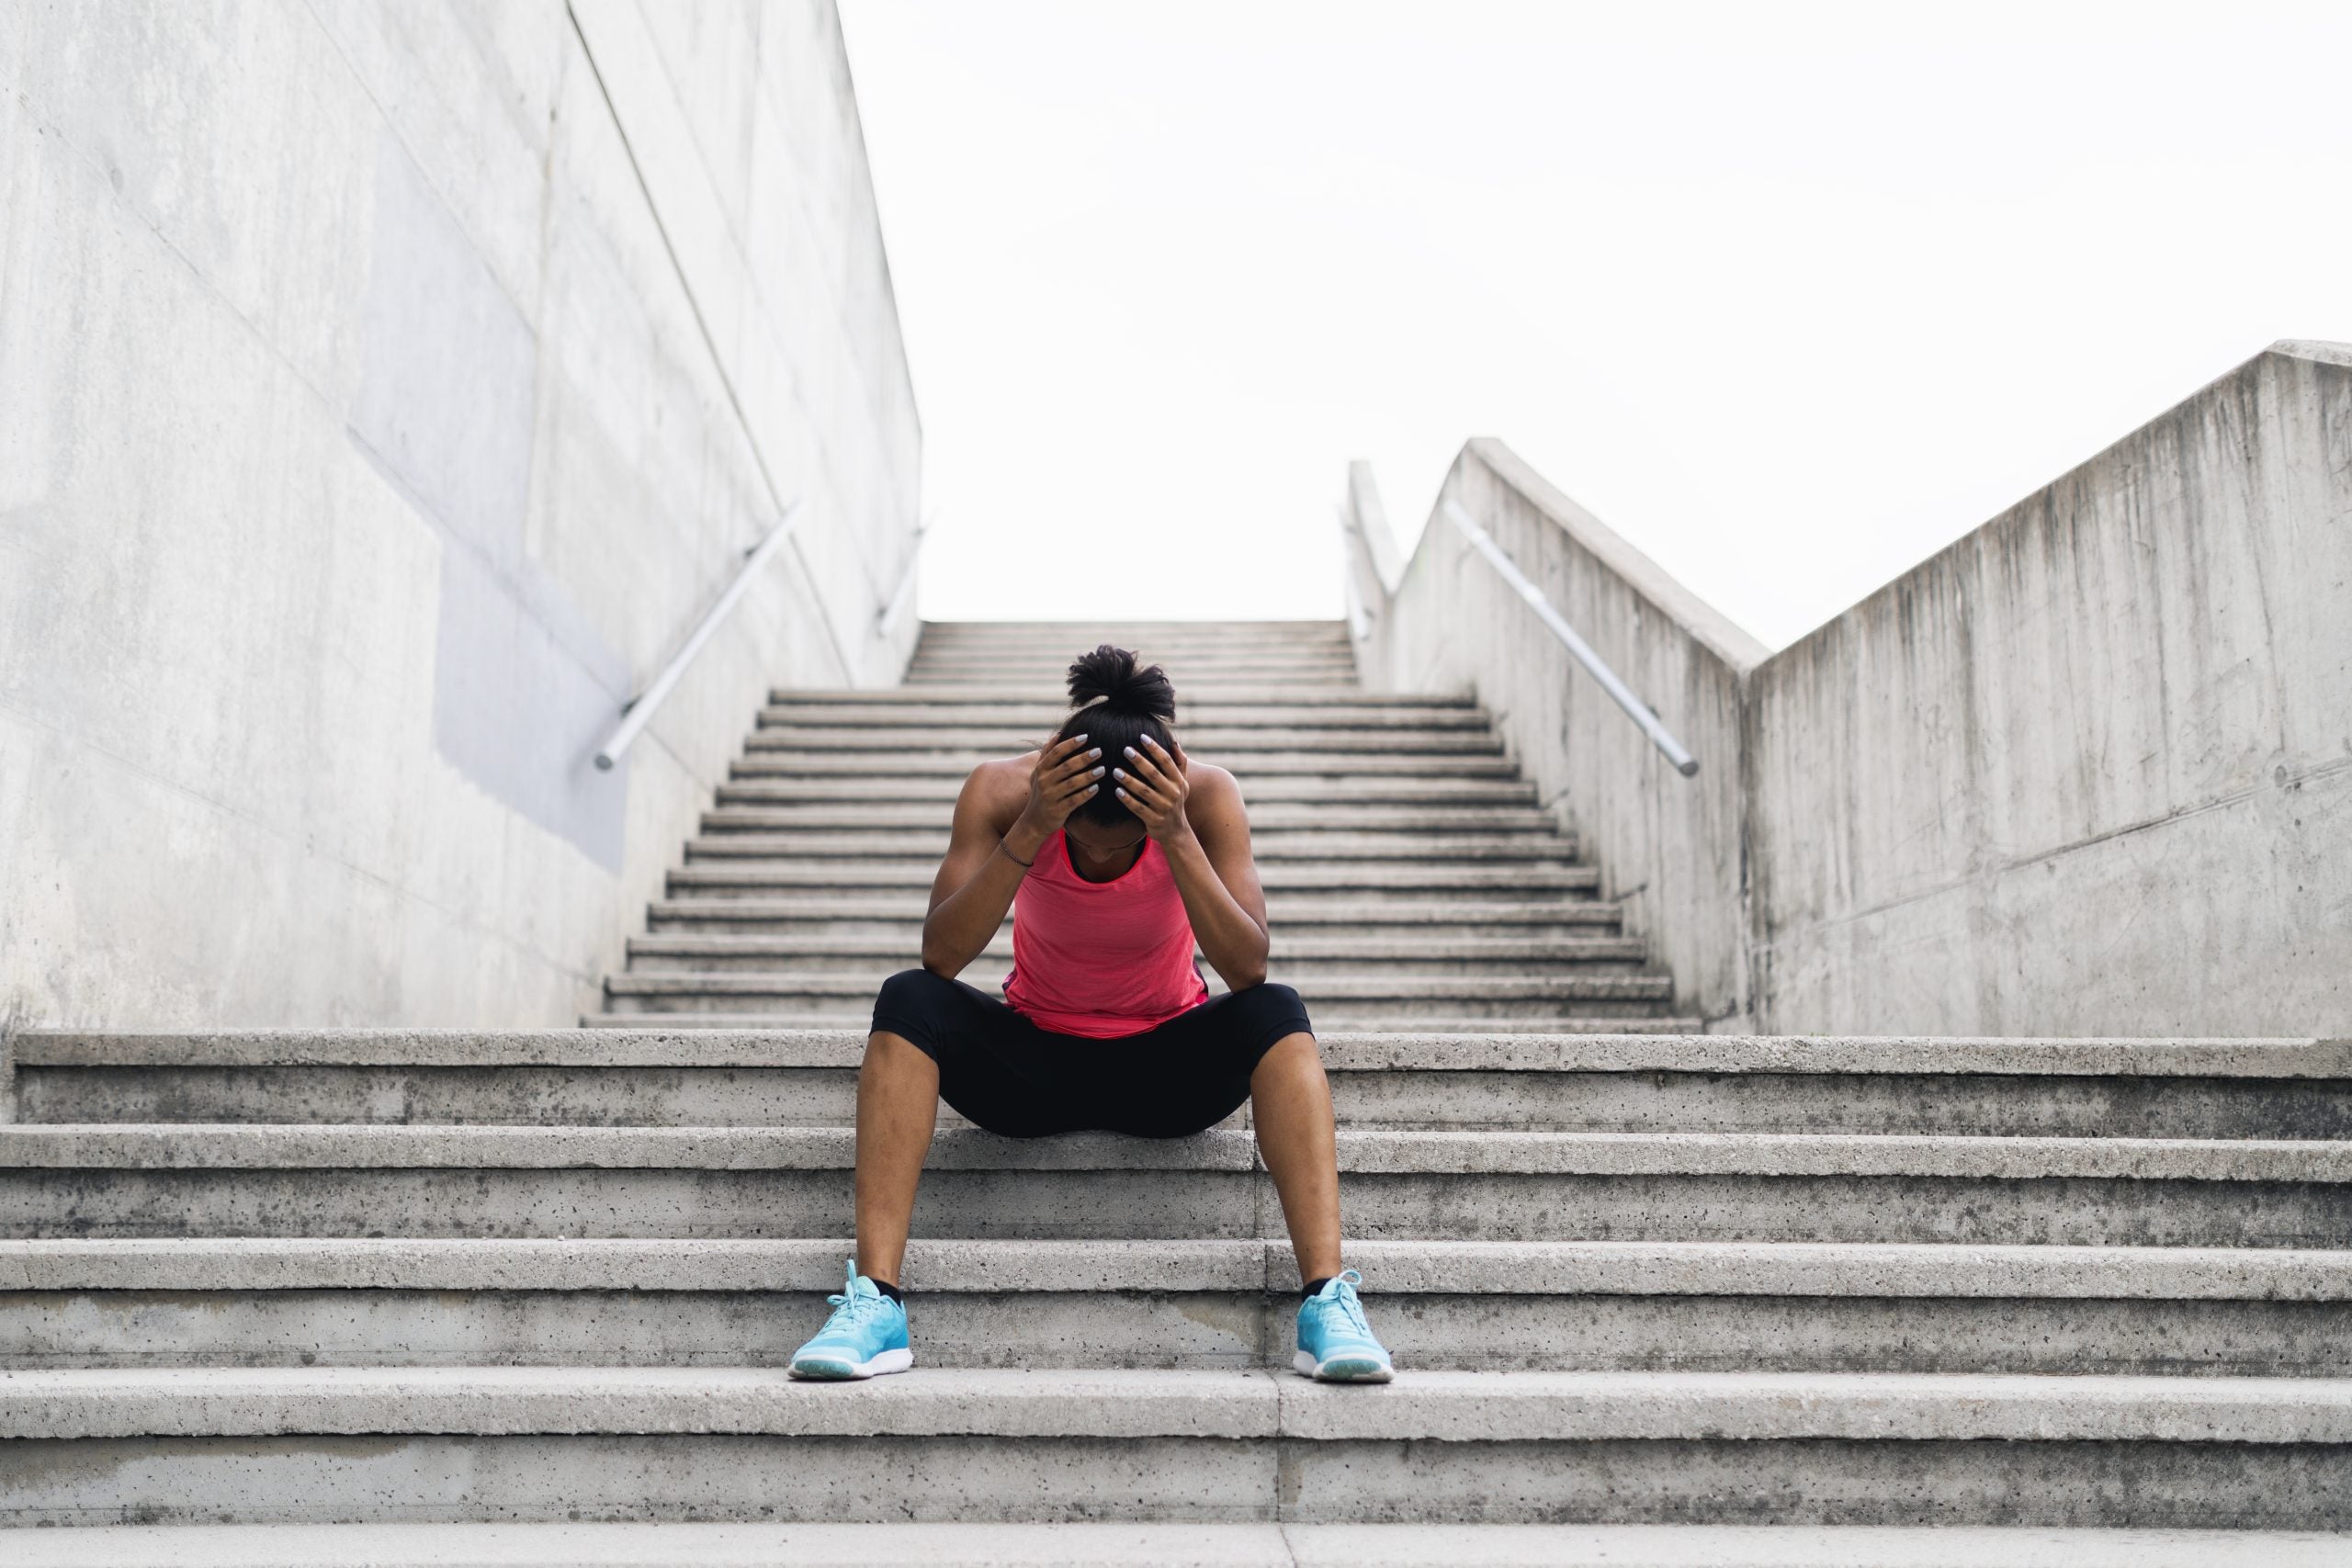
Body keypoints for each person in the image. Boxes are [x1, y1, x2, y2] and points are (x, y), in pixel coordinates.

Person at [786, 645, 1392, 1383]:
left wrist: (1173, 834)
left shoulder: (1203, 799)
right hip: (1033, 1063)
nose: (1102, 859)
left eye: (1124, 844)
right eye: (1085, 841)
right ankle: (876, 1304)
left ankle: (1326, 1301)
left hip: (1166, 1068)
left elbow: (1248, 966)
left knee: (1278, 1010)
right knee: (907, 997)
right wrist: (1035, 826)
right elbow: (941, 955)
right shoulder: (1003, 792)